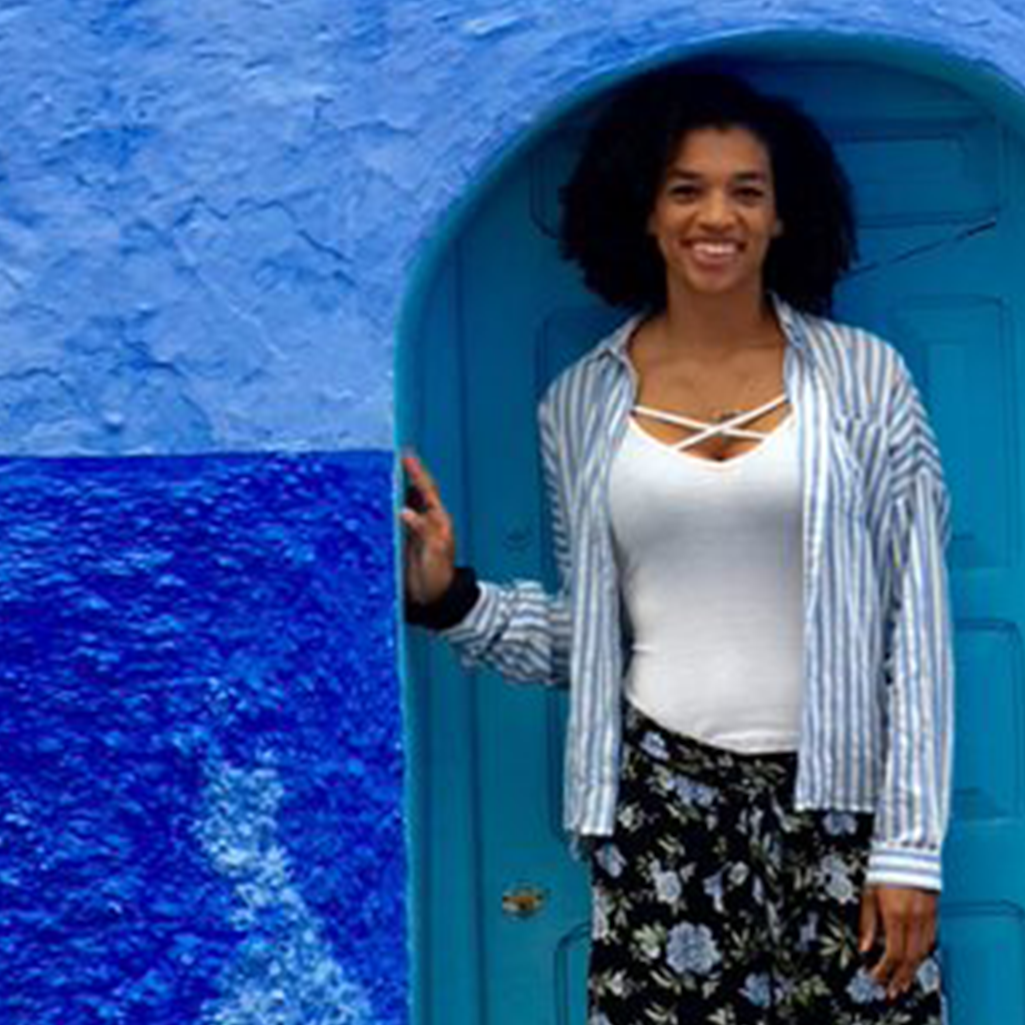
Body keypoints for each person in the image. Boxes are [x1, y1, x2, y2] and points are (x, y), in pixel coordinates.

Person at [397, 65, 955, 1023]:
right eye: (686, 188)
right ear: (647, 213)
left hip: (841, 811)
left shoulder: (866, 381)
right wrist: (454, 599)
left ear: (783, 216)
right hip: (660, 806)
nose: (718, 216)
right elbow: (596, 637)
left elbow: (920, 627)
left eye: (748, 190)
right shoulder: (580, 403)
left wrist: (909, 848)